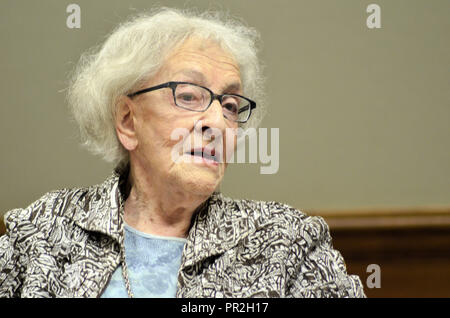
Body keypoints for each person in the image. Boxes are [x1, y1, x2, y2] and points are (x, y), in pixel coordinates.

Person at [0, 7, 365, 298]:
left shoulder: (286, 243)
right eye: (189, 95)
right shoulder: (43, 232)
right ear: (128, 121)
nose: (218, 123)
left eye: (231, 105)